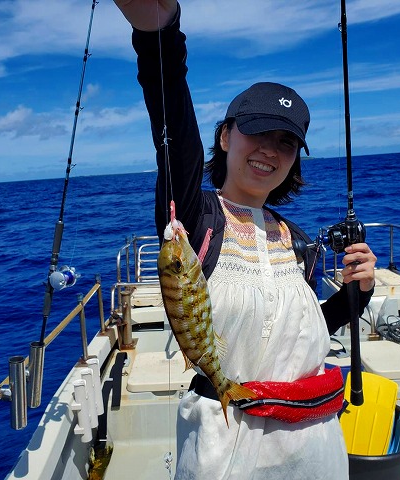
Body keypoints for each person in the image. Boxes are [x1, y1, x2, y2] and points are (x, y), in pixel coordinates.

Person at [114, 1, 377, 479]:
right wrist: (160, 33)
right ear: (225, 137)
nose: (269, 151)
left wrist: (357, 296)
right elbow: (172, 128)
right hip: (227, 446)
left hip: (316, 448)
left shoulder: (297, 241)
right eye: (256, 133)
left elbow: (301, 335)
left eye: (286, 142)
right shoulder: (196, 220)